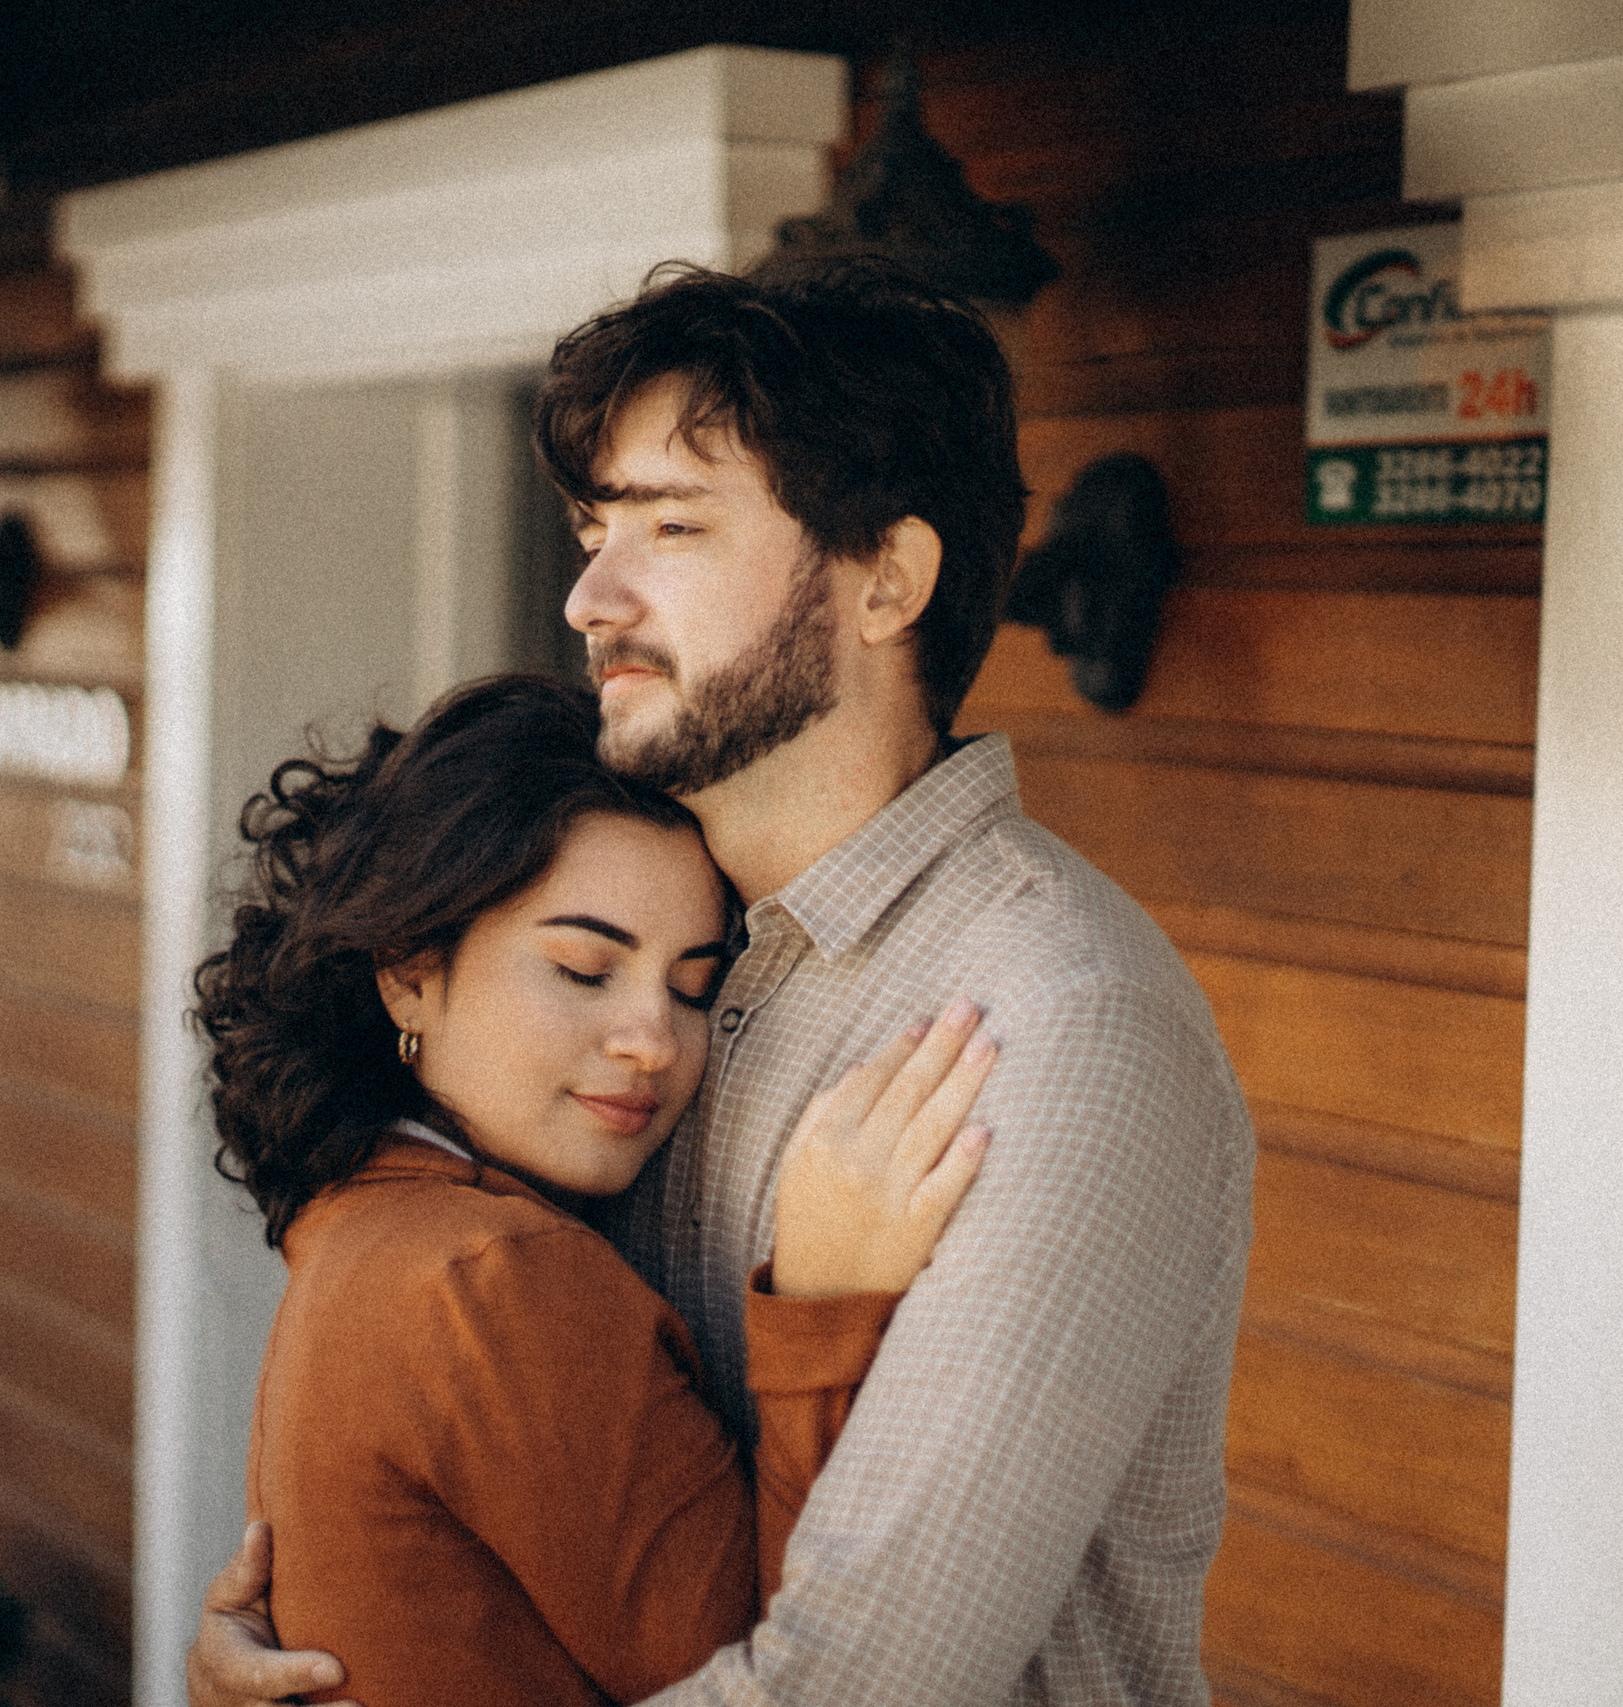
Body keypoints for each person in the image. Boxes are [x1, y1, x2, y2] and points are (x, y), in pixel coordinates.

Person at [194, 262, 1255, 1707]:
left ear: (888, 577)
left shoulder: (1056, 1024)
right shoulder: (664, 944)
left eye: (672, 528)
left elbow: (852, 1686)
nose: (588, 596)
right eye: (591, 530)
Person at [195, 672, 995, 1707]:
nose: (652, 1040)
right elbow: (796, 1678)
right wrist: (819, 1313)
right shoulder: (486, 1275)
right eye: (583, 968)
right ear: (408, 972)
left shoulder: (367, 1223)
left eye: (693, 986)